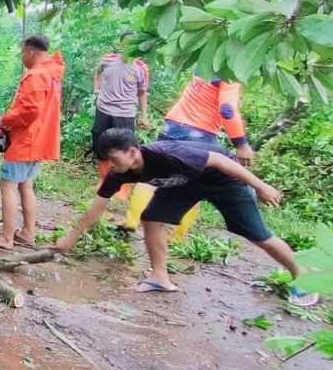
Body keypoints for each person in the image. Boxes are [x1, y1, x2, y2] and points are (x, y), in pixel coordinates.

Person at [50, 128, 319, 307]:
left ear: (133, 151)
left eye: (113, 159)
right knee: (152, 217)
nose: (111, 165)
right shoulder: (120, 172)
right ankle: (160, 277)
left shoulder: (169, 154)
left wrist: (260, 186)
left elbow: (222, 161)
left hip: (222, 181)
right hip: (182, 185)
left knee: (256, 234)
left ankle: (302, 276)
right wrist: (70, 238)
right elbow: (97, 206)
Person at [118, 73, 253, 238]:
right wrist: (241, 144)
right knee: (195, 186)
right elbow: (227, 110)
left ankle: (131, 221)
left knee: (152, 176)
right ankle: (177, 239)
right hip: (200, 133)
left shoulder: (206, 65)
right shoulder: (230, 75)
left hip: (172, 125)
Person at [0, 34, 65, 250]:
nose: (22, 57)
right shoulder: (52, 74)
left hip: (27, 140)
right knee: (26, 185)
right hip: (40, 139)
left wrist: (3, 120)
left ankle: (6, 238)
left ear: (31, 51)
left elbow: (29, 111)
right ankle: (27, 232)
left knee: (8, 185)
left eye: (23, 52)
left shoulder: (36, 76)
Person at [92, 32, 151, 198]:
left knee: (124, 149)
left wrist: (144, 115)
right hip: (103, 109)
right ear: (120, 45)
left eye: (133, 43)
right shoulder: (107, 60)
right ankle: (103, 179)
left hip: (125, 113)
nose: (128, 47)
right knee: (100, 143)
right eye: (125, 43)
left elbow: (142, 92)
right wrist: (96, 89)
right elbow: (97, 74)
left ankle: (123, 186)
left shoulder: (141, 68)